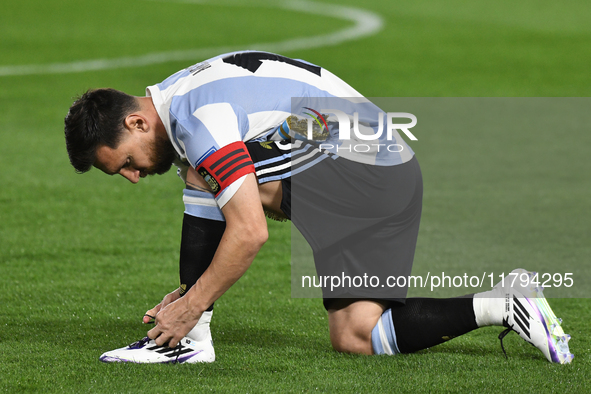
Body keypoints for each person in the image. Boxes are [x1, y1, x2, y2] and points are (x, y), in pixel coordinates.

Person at [64, 51, 573, 364]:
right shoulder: (179, 99)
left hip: (362, 171)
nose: (133, 177)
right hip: (385, 174)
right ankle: (508, 303)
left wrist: (193, 302)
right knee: (357, 336)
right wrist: (191, 292)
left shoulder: (198, 119)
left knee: (206, 174)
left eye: (126, 164)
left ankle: (191, 337)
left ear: (135, 124)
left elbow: (249, 232)